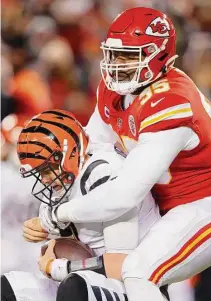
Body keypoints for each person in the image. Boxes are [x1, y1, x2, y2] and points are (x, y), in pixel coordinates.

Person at [38, 7, 211, 301]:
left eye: (129, 55)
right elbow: (87, 156)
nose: (117, 64)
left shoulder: (171, 101)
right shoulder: (114, 90)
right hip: (162, 205)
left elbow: (124, 195)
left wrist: (59, 214)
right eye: (114, 54)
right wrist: (60, 217)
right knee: (127, 271)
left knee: (140, 271)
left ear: (161, 56)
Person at [1, 109, 165, 301]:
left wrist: (59, 267)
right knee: (8, 289)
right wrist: (51, 246)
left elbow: (122, 264)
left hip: (137, 284)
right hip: (91, 277)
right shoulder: (60, 185)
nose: (44, 179)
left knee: (75, 287)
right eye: (39, 172)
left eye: (47, 168)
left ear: (68, 153)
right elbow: (60, 251)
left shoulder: (104, 172)